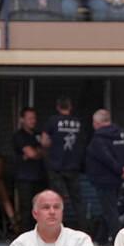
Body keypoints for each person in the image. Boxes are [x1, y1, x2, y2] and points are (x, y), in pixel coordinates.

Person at [86, 109, 124, 246]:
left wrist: (121, 171)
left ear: (97, 123)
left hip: (104, 180)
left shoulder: (98, 139)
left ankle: (118, 243)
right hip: (118, 179)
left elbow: (106, 158)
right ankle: (101, 240)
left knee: (110, 211)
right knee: (108, 209)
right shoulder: (122, 133)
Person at [45, 97, 88, 230]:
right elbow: (83, 142)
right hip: (73, 167)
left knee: (56, 201)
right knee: (77, 201)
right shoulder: (78, 123)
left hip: (57, 167)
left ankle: (57, 230)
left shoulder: (53, 121)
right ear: (70, 107)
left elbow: (44, 141)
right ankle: (85, 231)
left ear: (58, 107)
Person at [13, 107, 47, 231]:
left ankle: (40, 234)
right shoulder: (19, 136)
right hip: (25, 177)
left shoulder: (38, 134)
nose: (33, 121)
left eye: (34, 118)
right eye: (30, 118)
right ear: (22, 119)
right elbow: (32, 153)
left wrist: (36, 152)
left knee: (41, 207)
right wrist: (37, 151)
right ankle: (25, 235)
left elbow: (46, 150)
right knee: (26, 208)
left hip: (40, 176)